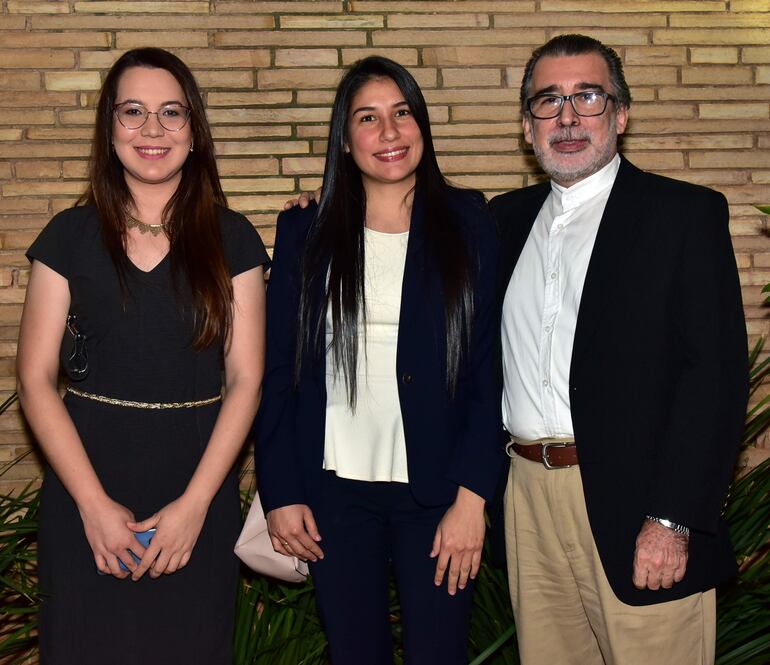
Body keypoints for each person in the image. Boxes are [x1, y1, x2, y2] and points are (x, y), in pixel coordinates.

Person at [490, 34, 748, 665]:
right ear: (528, 128)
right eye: (549, 102)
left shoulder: (683, 215)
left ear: (621, 114)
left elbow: (714, 377)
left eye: (588, 97)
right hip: (527, 498)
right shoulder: (500, 221)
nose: (569, 117)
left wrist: (673, 518)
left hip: (640, 505)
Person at [16, 47, 268, 664]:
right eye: (133, 112)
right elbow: (35, 379)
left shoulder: (234, 237)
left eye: (171, 113)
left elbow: (246, 379)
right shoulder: (67, 236)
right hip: (86, 487)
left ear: (194, 131)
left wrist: (195, 508)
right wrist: (94, 507)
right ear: (109, 129)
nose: (152, 130)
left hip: (196, 487)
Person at [254, 56, 502, 664]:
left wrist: (474, 498)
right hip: (332, 495)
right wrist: (280, 490)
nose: (389, 133)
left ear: (422, 124)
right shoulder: (304, 231)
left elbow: (492, 371)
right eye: (369, 118)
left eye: (402, 113)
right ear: (345, 137)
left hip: (438, 493)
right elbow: (278, 370)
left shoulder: (471, 222)